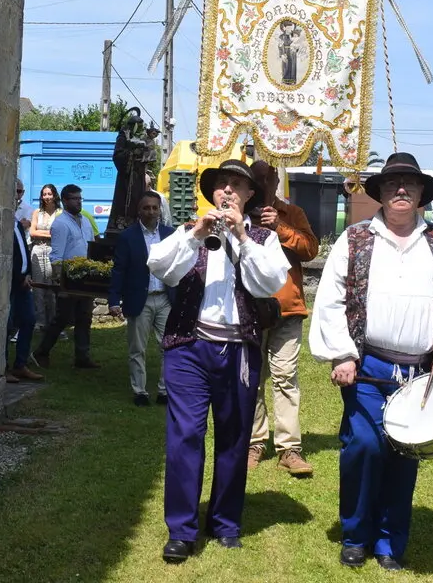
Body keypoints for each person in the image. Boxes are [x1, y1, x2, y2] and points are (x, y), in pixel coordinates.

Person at [309, 151, 433, 571]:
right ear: (382, 194)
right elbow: (332, 298)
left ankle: (390, 543)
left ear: (423, 195)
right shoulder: (355, 240)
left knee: (403, 455)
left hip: (420, 371)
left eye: (409, 185)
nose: (401, 190)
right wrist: (342, 353)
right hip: (368, 366)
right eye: (392, 185)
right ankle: (355, 536)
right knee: (365, 447)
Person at [147, 159, 290, 563]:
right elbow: (160, 267)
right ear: (212, 194)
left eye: (236, 185)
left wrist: (242, 237)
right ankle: (182, 529)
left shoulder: (262, 237)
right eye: (221, 185)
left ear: (248, 196)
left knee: (234, 437)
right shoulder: (188, 230)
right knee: (185, 436)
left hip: (238, 350)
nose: (227, 191)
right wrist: (195, 234)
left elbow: (271, 283)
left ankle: (225, 521)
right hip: (188, 347)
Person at [247, 161, 319, 476]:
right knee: (253, 378)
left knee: (285, 378)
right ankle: (254, 442)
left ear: (277, 179)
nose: (264, 182)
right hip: (249, 308)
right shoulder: (242, 217)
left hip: (288, 308)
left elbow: (311, 249)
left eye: (268, 176)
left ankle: (289, 448)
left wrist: (279, 226)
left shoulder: (293, 214)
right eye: (257, 177)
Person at [108, 191, 175, 407]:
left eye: (155, 208)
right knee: (137, 348)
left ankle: (165, 391)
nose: (151, 212)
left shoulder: (169, 234)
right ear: (139, 210)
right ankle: (140, 391)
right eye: (147, 208)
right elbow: (119, 270)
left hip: (165, 298)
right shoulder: (128, 236)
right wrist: (113, 300)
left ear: (159, 210)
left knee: (169, 346)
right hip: (140, 299)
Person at [33, 184, 100, 369]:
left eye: (80, 198)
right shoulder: (61, 224)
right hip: (69, 278)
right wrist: (60, 282)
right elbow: (56, 256)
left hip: (85, 276)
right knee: (62, 318)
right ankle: (41, 352)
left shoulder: (85, 221)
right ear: (64, 200)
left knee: (84, 317)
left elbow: (91, 246)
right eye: (74, 198)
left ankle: (82, 357)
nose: (78, 201)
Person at [7, 220, 44, 383]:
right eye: (16, 192)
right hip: (11, 284)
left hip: (23, 283)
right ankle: (3, 367)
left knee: (29, 320)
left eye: (20, 192)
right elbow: (9, 256)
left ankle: (20, 364)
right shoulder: (7, 223)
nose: (17, 196)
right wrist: (20, 278)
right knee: (7, 326)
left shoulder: (16, 224)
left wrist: (28, 273)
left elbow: (24, 253)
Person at [29, 184, 60, 329]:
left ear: (55, 195)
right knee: (37, 287)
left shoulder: (60, 213)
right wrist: (49, 234)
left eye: (49, 194)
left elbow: (59, 234)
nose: (47, 197)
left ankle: (53, 321)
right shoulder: (37, 212)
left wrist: (47, 235)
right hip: (37, 249)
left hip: (52, 250)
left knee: (51, 287)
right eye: (44, 194)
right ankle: (39, 321)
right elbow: (32, 232)